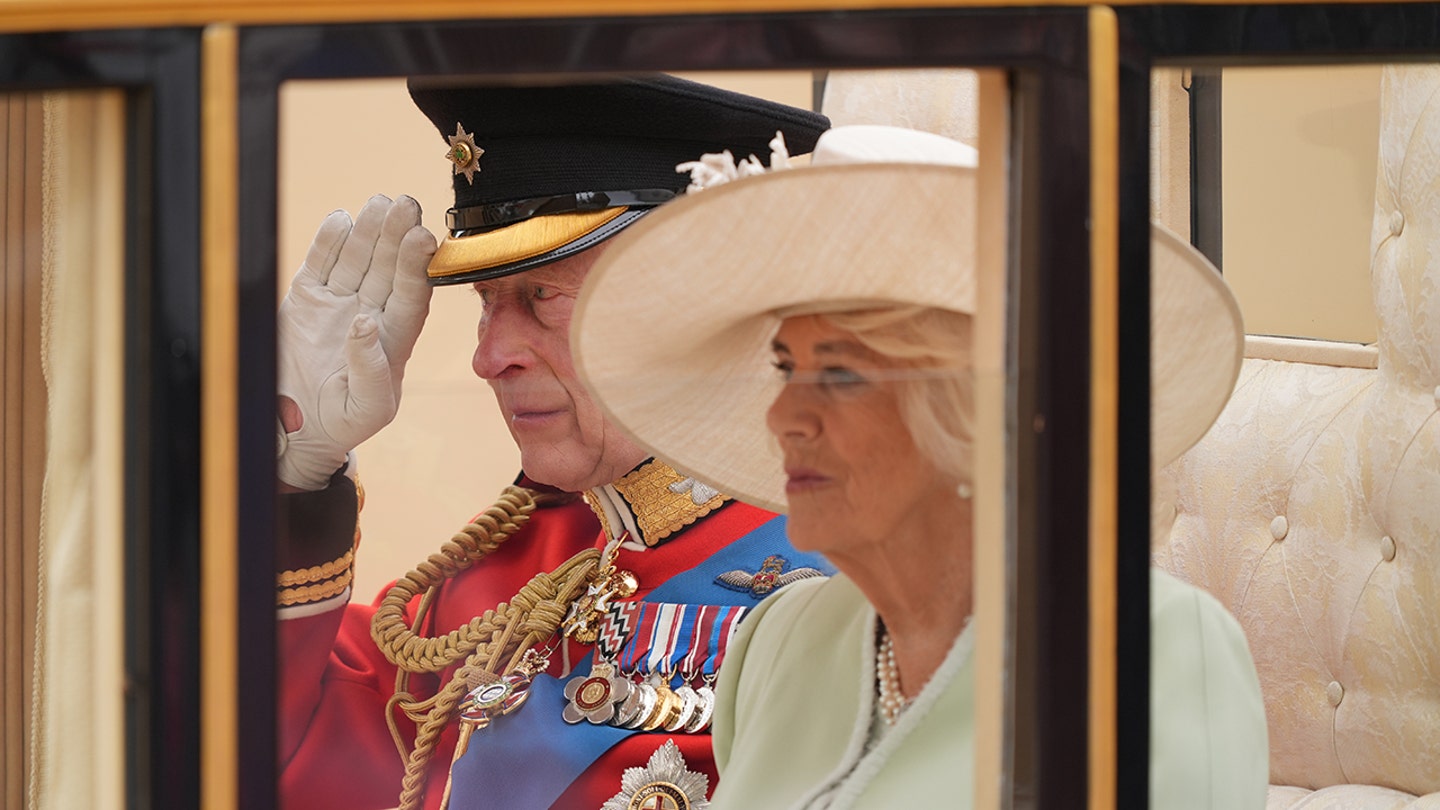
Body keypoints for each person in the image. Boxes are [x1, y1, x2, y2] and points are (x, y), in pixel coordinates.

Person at [572, 124, 1270, 808]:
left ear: (975, 411)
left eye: (842, 375)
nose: (784, 417)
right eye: (787, 367)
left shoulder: (1154, 653)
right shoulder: (777, 643)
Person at [273, 75, 833, 810]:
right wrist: (292, 484)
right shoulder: (516, 570)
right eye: (487, 303)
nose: (488, 356)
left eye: (543, 297)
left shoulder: (846, 580)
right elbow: (280, 760)